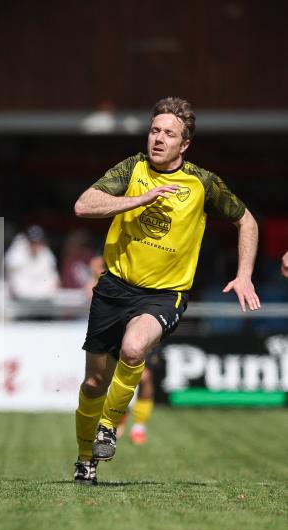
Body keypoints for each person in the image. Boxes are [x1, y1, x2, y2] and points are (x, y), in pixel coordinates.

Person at [72, 97, 260, 485]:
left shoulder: (202, 183)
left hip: (164, 294)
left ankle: (109, 426)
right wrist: (136, 199)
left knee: (134, 348)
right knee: (94, 383)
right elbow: (83, 205)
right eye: (154, 130)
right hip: (114, 287)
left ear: (184, 144)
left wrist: (244, 275)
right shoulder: (132, 168)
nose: (158, 139)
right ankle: (84, 457)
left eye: (168, 133)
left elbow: (247, 221)